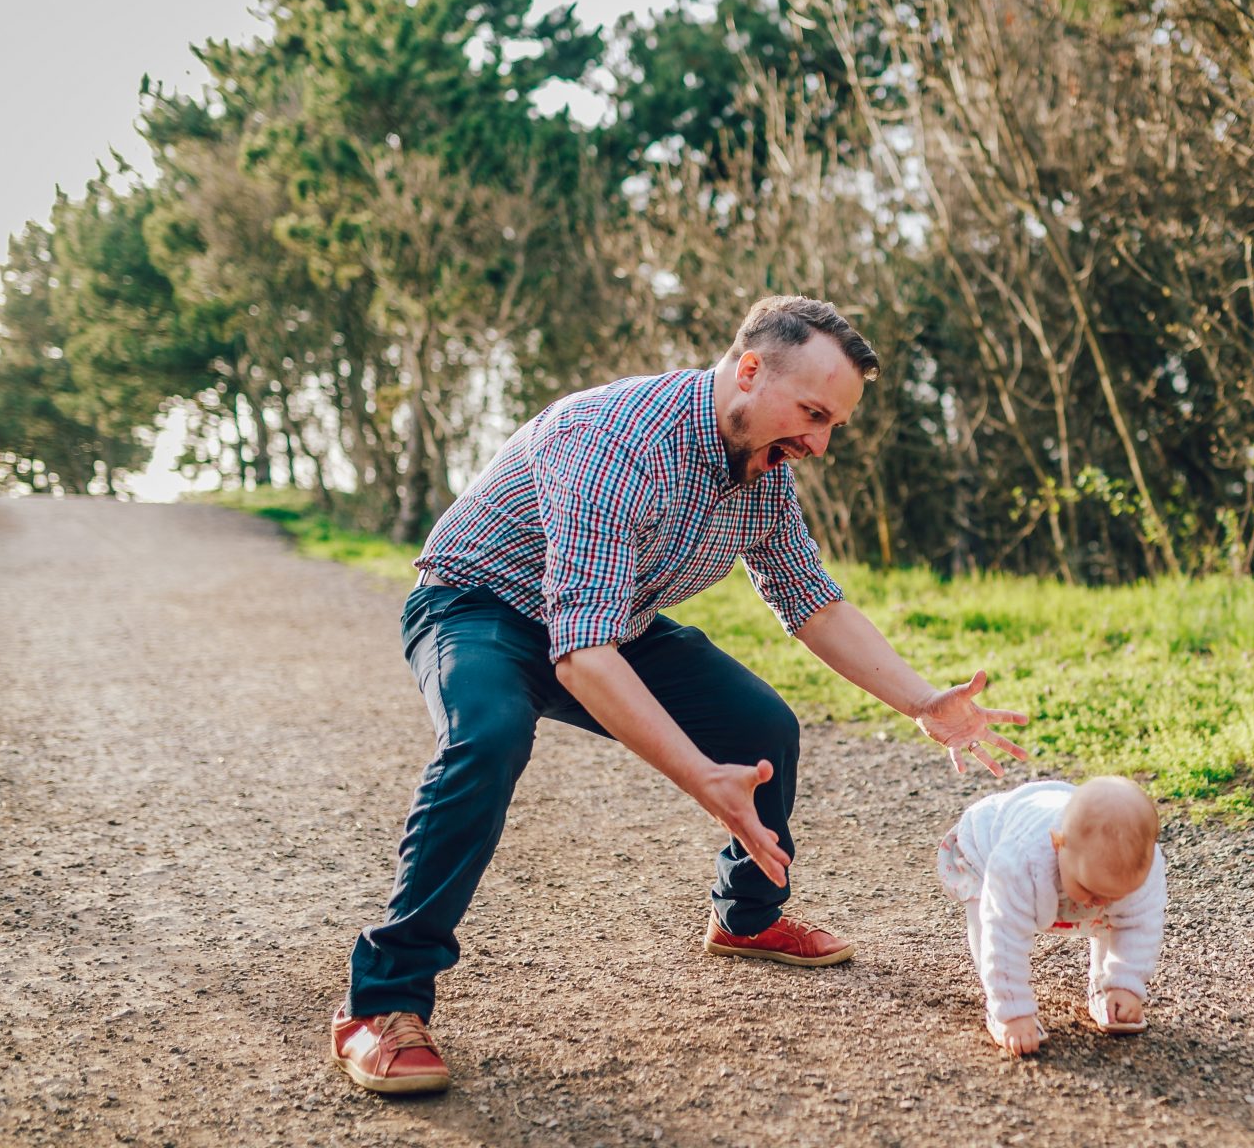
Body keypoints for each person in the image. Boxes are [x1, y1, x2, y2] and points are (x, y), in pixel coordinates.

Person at [330, 295, 1030, 1094]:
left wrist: (921, 702)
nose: (821, 442)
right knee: (487, 736)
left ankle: (748, 918)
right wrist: (702, 777)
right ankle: (379, 1002)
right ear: (750, 370)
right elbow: (580, 657)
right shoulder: (611, 440)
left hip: (608, 619)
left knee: (761, 724)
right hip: (478, 607)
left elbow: (811, 600)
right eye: (811, 413)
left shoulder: (762, 467)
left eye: (834, 423)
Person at [936, 776, 1167, 1056]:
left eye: (1115, 893)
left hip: (1056, 829)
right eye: (1089, 889)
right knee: (987, 915)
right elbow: (1004, 935)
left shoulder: (1140, 867)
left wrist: (1126, 985)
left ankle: (1106, 990)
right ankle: (999, 1008)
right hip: (985, 845)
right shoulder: (1018, 862)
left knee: (1120, 914)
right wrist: (1013, 1013)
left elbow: (1139, 926)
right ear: (1058, 844)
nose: (1100, 902)